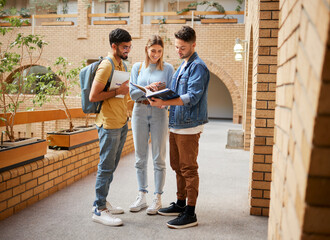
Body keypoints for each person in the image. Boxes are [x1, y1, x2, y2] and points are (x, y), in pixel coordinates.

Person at [149, 26, 210, 229]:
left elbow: (192, 97)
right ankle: (181, 203)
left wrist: (164, 102)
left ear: (193, 44)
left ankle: (190, 213)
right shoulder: (183, 64)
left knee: (189, 169)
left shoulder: (198, 67)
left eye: (182, 47)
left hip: (189, 126)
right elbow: (176, 92)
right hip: (176, 123)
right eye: (176, 47)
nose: (178, 51)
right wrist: (161, 91)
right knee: (177, 167)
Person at [89, 28, 132, 227]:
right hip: (108, 124)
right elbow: (93, 96)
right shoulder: (106, 65)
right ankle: (99, 209)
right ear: (114, 46)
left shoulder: (121, 63)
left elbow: (123, 93)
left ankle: (103, 200)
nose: (128, 50)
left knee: (112, 166)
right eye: (125, 47)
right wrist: (117, 91)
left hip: (121, 121)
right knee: (106, 167)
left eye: (130, 47)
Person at [129, 35, 174, 215]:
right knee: (140, 157)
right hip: (139, 112)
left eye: (159, 51)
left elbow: (172, 93)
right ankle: (142, 195)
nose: (156, 54)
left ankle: (157, 197)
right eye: (153, 50)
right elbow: (133, 94)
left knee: (158, 157)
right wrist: (149, 90)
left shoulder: (168, 68)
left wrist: (160, 95)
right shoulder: (137, 67)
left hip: (159, 113)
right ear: (147, 49)